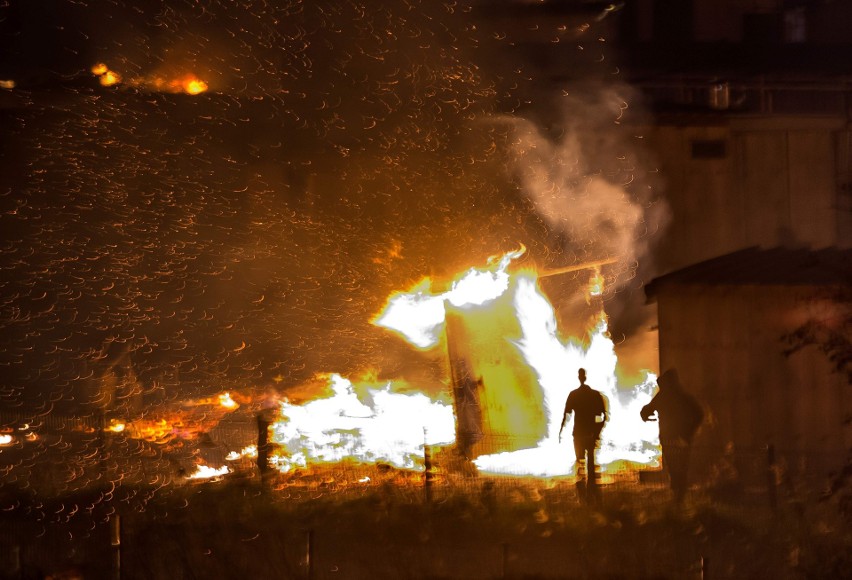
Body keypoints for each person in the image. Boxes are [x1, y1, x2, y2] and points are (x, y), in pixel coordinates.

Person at [640, 368, 704, 501]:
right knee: (682, 466)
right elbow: (699, 414)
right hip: (682, 438)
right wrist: (689, 432)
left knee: (674, 467)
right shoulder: (683, 396)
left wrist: (646, 416)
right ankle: (680, 496)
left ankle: (677, 496)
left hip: (668, 437)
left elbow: (646, 410)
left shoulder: (663, 396)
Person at [560, 368, 608, 500]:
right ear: (585, 377)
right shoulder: (595, 395)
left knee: (580, 461)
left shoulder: (574, 395)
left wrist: (561, 429)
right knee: (590, 461)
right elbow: (603, 415)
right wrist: (597, 431)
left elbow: (566, 414)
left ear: (579, 377)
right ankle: (591, 489)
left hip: (579, 434)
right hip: (590, 433)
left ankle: (582, 490)